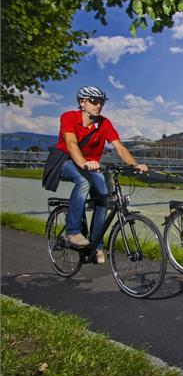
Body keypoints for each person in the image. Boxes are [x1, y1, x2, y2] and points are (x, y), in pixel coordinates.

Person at [55, 86, 148, 263]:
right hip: (65, 162)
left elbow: (119, 146)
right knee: (83, 182)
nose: (99, 105)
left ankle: (96, 245)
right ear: (82, 102)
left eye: (101, 102)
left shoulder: (104, 123)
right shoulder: (69, 117)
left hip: (92, 166)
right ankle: (73, 231)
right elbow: (71, 143)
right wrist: (83, 163)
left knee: (103, 200)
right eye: (94, 101)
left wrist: (135, 165)